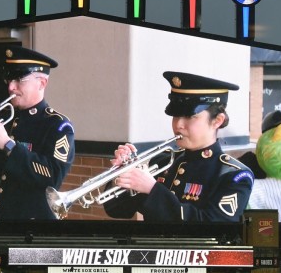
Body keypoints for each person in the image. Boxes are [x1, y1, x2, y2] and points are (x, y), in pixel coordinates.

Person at [103, 71, 254, 222]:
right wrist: (122, 175)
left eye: (190, 116)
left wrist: (153, 189)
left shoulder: (233, 175)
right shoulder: (163, 161)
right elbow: (118, 210)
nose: (178, 125)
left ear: (217, 121)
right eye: (176, 116)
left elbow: (213, 227)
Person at [0, 46, 75, 220]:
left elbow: (53, 177)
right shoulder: (0, 117)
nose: (11, 87)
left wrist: (7, 145)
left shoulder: (58, 126)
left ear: (42, 83)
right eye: (9, 79)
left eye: (19, 80)